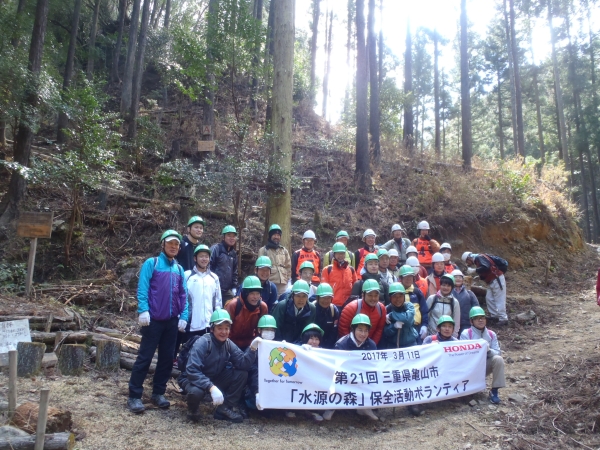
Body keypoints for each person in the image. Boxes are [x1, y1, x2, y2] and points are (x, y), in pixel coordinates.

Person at [127, 230, 188, 414]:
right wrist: (143, 310)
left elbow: (183, 295)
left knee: (167, 359)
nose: (173, 246)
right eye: (170, 243)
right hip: (153, 320)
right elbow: (143, 288)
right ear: (163, 244)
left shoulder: (178, 269)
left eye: (176, 244)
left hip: (171, 322)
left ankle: (158, 393)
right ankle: (134, 395)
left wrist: (184, 316)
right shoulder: (151, 264)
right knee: (144, 357)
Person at [178, 310, 259, 423]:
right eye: (220, 328)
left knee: (242, 373)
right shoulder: (203, 343)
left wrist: (252, 349)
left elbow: (243, 363)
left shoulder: (227, 343)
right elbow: (192, 370)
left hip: (214, 377)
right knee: (196, 391)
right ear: (212, 329)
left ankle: (225, 408)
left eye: (227, 328)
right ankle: (193, 411)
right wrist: (211, 387)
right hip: (191, 379)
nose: (224, 332)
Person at [334, 314, 379, 421]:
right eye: (360, 330)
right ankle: (332, 406)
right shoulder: (342, 344)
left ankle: (365, 407)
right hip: (344, 376)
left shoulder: (371, 345)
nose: (363, 334)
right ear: (353, 329)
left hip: (363, 377)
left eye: (366, 330)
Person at [460, 307, 506, 404]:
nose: (480, 320)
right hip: (470, 368)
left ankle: (494, 391)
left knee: (498, 359)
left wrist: (488, 351)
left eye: (482, 317)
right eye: (477, 318)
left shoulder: (491, 334)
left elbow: (498, 352)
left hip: (485, 365)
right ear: (471, 321)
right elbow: (462, 355)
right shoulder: (466, 334)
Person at [184, 244, 222, 342]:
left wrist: (218, 321)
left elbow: (218, 301)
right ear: (195, 258)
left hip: (210, 324)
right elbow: (181, 298)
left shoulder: (214, 278)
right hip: (191, 324)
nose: (204, 259)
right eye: (201, 256)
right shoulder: (187, 276)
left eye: (206, 256)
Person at [462, 252, 508, 326]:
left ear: (469, 258)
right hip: (492, 281)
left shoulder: (479, 258)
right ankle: (494, 315)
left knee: (499, 299)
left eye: (467, 261)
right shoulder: (478, 260)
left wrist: (475, 270)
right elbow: (486, 270)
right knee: (489, 298)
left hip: (497, 279)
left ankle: (503, 318)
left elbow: (485, 267)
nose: (468, 263)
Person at [224, 276, 268, 350]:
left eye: (257, 293)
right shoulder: (233, 305)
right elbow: (225, 329)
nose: (255, 297)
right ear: (245, 294)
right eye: (252, 294)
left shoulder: (262, 307)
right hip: (232, 344)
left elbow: (261, 331)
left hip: (252, 345)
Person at [339, 279, 386, 345]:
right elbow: (343, 329)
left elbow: (379, 329)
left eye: (376, 295)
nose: (373, 298)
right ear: (363, 295)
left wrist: (372, 345)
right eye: (370, 295)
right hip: (351, 345)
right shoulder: (351, 308)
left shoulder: (381, 308)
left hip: (369, 345)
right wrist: (352, 345)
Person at [246, 315, 277, 412]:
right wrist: (257, 391)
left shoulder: (277, 347)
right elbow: (253, 370)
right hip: (255, 385)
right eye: (266, 329)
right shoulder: (254, 346)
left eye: (272, 330)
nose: (269, 332)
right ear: (259, 330)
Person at [299, 324, 327, 421]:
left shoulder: (324, 353)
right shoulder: (299, 349)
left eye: (317, 339)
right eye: (311, 338)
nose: (314, 342)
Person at [398, 265, 429, 344]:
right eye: (406, 277)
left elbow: (424, 310)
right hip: (402, 328)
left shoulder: (417, 292)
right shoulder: (396, 292)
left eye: (410, 277)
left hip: (416, 327)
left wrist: (424, 325)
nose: (408, 279)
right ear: (401, 278)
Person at [258, 224, 292, 296]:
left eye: (278, 235)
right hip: (269, 282)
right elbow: (259, 267)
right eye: (274, 235)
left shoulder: (284, 251)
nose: (276, 237)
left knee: (283, 302)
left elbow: (288, 266)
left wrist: (289, 280)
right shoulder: (263, 250)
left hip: (283, 283)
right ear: (270, 236)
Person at [381, 283, 418, 349]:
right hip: (393, 346)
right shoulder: (386, 309)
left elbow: (408, 319)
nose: (398, 299)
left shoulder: (409, 306)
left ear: (404, 297)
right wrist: (394, 326)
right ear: (390, 298)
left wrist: (391, 315)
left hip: (411, 344)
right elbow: (386, 331)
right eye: (394, 296)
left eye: (400, 296)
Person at [321, 242, 357, 308]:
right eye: (338, 253)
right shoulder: (327, 270)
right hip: (333, 305)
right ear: (334, 254)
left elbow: (355, 288)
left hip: (348, 306)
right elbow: (324, 290)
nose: (340, 255)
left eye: (342, 253)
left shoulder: (351, 270)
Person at [425, 273, 461, 338]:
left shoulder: (454, 302)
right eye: (444, 285)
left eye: (448, 286)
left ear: (452, 287)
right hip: (432, 335)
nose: (445, 288)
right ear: (440, 285)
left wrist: (454, 336)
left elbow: (456, 321)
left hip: (447, 337)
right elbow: (426, 316)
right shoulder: (432, 299)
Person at [210, 225, 239, 303]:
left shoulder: (233, 254)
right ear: (223, 237)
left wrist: (234, 287)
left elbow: (234, 272)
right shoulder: (216, 249)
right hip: (214, 288)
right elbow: (208, 266)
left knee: (233, 305)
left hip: (227, 290)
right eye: (229, 235)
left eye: (234, 236)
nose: (232, 238)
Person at [311, 283, 340, 349]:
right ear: (317, 298)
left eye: (328, 298)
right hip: (312, 344)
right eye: (323, 298)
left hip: (328, 345)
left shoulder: (334, 310)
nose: (326, 301)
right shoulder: (311, 308)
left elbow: (334, 331)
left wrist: (327, 347)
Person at [452, 269, 480, 336]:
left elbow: (476, 307)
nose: (458, 279)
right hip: (451, 323)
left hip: (466, 323)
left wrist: (475, 320)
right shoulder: (448, 293)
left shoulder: (469, 293)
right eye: (455, 277)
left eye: (460, 277)